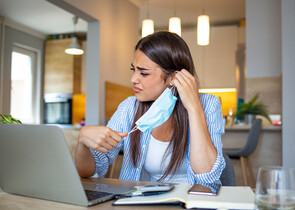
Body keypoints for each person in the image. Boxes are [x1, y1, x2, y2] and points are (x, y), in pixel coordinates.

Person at [75, 31, 225, 186]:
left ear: (174, 78)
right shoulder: (129, 108)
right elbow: (88, 171)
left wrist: (194, 107)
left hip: (190, 204)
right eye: (133, 70)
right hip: (142, 205)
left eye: (144, 73)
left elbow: (207, 177)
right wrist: (82, 141)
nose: (133, 79)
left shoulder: (209, 104)